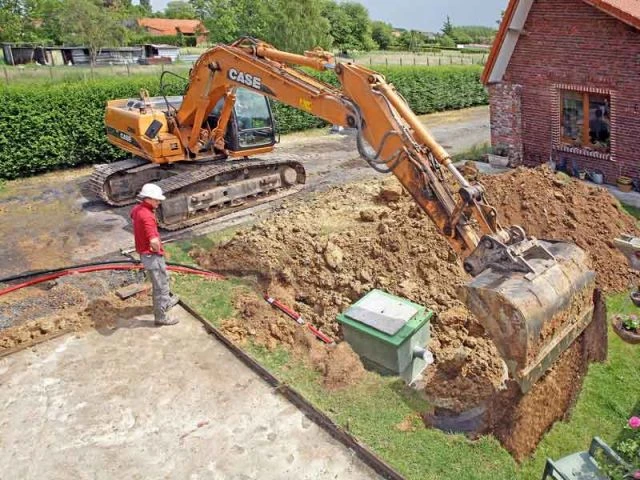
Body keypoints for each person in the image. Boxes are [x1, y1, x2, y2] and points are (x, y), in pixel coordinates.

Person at [131, 183, 179, 326]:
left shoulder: (137, 209)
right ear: (149, 199)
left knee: (164, 278)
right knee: (160, 286)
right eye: (157, 200)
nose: (159, 202)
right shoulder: (148, 216)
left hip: (144, 253)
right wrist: (158, 251)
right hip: (152, 256)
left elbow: (133, 217)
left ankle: (166, 302)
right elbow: (153, 240)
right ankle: (161, 317)